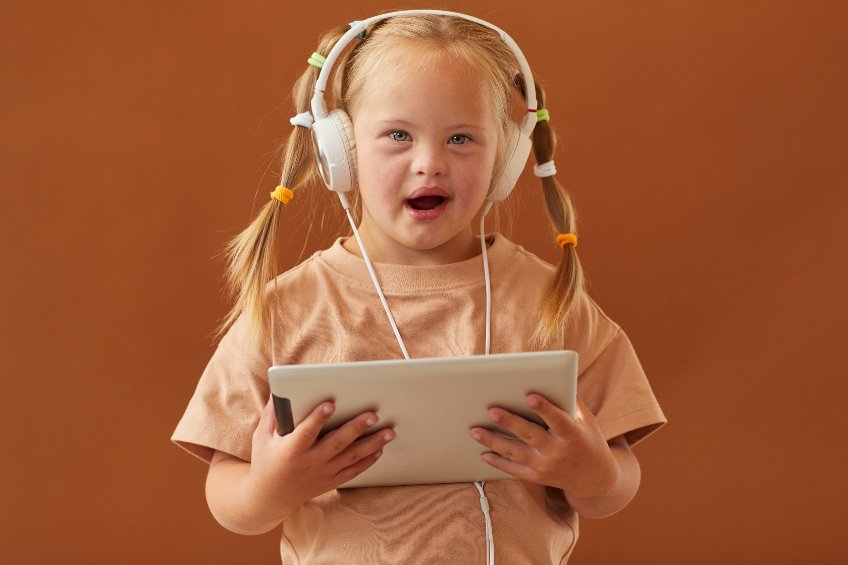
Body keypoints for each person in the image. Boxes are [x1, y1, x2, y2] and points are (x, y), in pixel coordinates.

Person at [173, 9, 665, 564]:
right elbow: (227, 496)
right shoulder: (287, 309)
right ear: (342, 150)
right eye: (398, 135)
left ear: (505, 157)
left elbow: (617, 480)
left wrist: (591, 474)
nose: (430, 163)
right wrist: (272, 488)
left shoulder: (549, 301)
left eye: (461, 138)